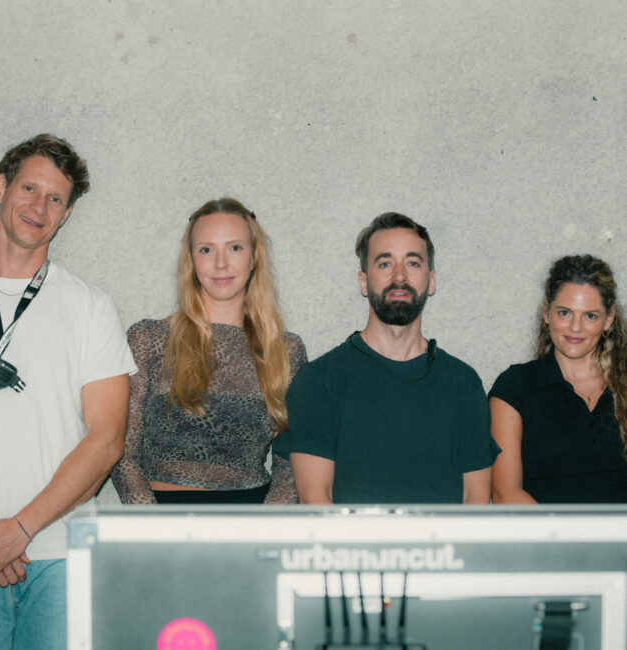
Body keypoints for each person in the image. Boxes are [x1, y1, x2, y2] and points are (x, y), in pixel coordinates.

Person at [0, 134, 136, 649]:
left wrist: (18, 531)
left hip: (61, 558)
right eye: (28, 188)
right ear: (0, 188)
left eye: (55, 198)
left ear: (65, 215)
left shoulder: (91, 306)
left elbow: (107, 440)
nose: (38, 207)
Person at [273, 212, 499, 504]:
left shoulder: (463, 384)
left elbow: (475, 502)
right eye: (385, 263)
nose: (399, 277)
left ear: (431, 281)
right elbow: (317, 503)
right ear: (363, 282)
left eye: (413, 263)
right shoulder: (319, 382)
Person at [111, 198, 307, 505]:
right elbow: (120, 451)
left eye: (235, 248)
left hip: (252, 517)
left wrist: (268, 524)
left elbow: (292, 461)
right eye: (206, 250)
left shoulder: (285, 350)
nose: (221, 264)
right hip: (161, 516)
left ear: (254, 258)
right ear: (191, 260)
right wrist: (149, 521)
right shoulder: (148, 339)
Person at [489, 255, 627, 504]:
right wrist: (560, 530)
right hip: (543, 529)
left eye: (590, 316)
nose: (575, 327)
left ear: (608, 319)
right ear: (546, 313)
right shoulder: (515, 387)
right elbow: (505, 493)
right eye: (565, 313)